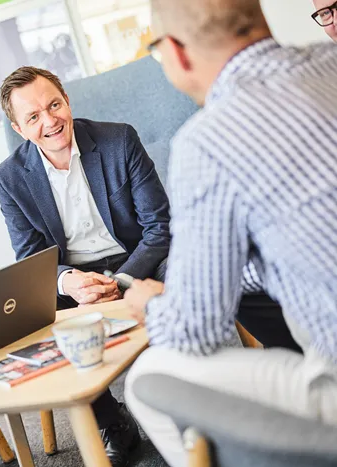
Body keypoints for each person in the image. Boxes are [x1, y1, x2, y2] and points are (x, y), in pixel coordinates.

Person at [123, 0, 337, 465]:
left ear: (177, 54)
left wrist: (152, 305)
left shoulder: (207, 141)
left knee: (149, 377)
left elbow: (195, 331)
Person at [0, 66, 173, 466]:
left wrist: (120, 280)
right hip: (77, 277)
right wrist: (70, 282)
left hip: (135, 259)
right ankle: (112, 421)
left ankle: (181, 395)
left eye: (53, 105)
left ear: (67, 101)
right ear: (19, 128)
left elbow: (158, 227)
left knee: (175, 275)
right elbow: (30, 259)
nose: (50, 120)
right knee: (31, 313)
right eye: (34, 116)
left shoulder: (118, 140)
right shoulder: (9, 178)